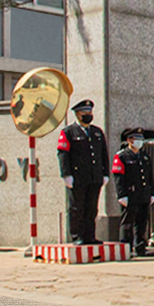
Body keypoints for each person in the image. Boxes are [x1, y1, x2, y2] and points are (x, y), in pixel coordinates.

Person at [55, 100, 108, 245]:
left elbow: (103, 153)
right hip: (78, 177)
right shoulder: (68, 132)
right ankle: (77, 236)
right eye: (85, 112)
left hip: (94, 176)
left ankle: (90, 236)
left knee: (91, 208)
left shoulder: (97, 132)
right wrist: (66, 174)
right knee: (77, 208)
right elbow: (63, 154)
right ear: (78, 114)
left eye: (90, 112)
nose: (88, 115)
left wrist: (105, 173)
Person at [110, 128, 154, 256]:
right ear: (129, 140)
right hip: (130, 195)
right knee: (128, 223)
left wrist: (152, 193)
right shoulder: (122, 156)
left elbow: (150, 177)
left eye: (141, 139)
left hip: (143, 194)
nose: (139, 142)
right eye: (136, 139)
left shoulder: (144, 156)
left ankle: (140, 247)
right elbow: (119, 178)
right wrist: (121, 195)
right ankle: (126, 248)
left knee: (142, 222)